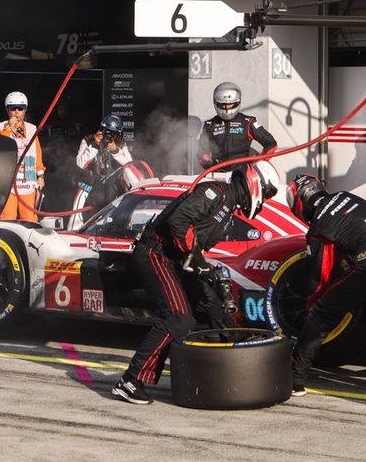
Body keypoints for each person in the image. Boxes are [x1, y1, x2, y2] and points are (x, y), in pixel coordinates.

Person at [112, 161, 280, 405]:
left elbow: (195, 244)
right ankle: (130, 381)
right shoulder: (215, 192)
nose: (265, 200)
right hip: (155, 254)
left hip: (175, 259)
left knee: (215, 308)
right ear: (256, 184)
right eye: (267, 193)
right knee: (179, 318)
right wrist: (196, 259)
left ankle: (231, 375)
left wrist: (205, 268)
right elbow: (178, 222)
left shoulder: (228, 205)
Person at [284, 174, 366, 396]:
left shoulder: (318, 226)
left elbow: (318, 277)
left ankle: (295, 379)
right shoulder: (347, 196)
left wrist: (310, 302)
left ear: (301, 201)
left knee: (320, 314)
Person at [68, 114, 133, 230]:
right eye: (106, 131)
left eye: (113, 133)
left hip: (110, 187)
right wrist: (95, 145)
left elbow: (129, 164)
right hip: (89, 184)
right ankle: (74, 234)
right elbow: (80, 163)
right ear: (101, 129)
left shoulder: (120, 142)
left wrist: (115, 150)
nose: (109, 135)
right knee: (77, 207)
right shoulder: (88, 140)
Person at [197, 82, 277, 171]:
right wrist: (210, 166)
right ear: (216, 103)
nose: (227, 108)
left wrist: (259, 163)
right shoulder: (209, 124)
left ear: (237, 102)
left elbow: (271, 143)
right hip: (219, 173)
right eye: (223, 105)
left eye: (230, 104)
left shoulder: (248, 122)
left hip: (243, 173)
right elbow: (201, 151)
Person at [0, 91, 45, 222]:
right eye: (13, 108)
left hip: (28, 182)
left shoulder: (33, 129)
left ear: (25, 110)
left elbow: (37, 155)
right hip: (7, 184)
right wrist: (9, 128)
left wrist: (41, 176)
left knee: (30, 220)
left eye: (20, 108)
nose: (16, 112)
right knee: (7, 219)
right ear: (7, 110)